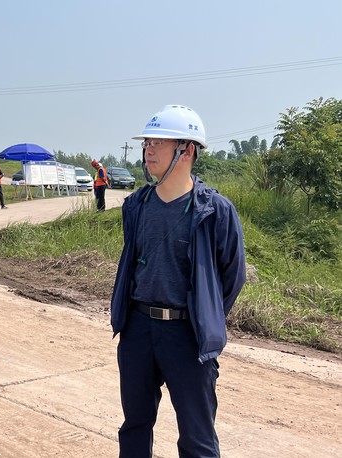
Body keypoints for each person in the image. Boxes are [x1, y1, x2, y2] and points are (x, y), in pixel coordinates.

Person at [110, 105, 246, 457]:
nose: (148, 150)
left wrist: (204, 315)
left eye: (158, 143)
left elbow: (232, 276)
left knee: (197, 438)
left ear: (186, 150)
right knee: (135, 426)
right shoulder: (136, 205)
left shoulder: (215, 210)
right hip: (138, 329)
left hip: (187, 335)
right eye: (147, 143)